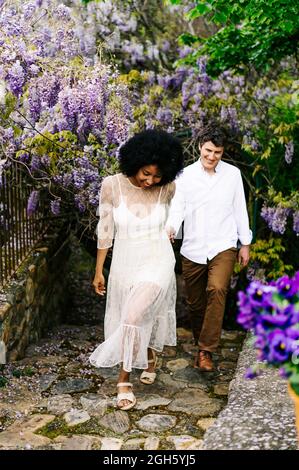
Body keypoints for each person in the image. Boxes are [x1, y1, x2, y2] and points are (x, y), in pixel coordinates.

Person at [89, 129, 184, 410]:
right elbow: (105, 231)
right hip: (125, 260)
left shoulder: (167, 188)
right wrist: (98, 270)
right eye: (145, 173)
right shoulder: (111, 186)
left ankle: (124, 380)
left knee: (133, 315)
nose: (150, 180)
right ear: (134, 162)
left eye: (156, 175)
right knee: (136, 313)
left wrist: (170, 229)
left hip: (158, 258)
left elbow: (173, 218)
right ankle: (150, 357)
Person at [167, 123, 251, 371]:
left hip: (223, 245)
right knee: (195, 303)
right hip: (193, 247)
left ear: (222, 152)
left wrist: (244, 243)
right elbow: (178, 208)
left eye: (217, 153)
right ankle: (201, 341)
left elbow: (239, 209)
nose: (212, 157)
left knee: (217, 289)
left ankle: (206, 352)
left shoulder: (233, 175)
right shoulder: (184, 176)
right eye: (208, 151)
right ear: (200, 147)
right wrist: (171, 227)